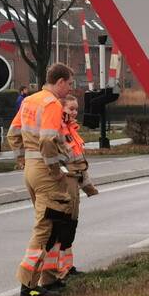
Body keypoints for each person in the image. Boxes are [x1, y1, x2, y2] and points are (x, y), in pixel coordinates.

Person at [7, 63, 75, 296]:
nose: (69, 90)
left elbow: (12, 134)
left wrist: (23, 160)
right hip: (46, 173)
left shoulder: (29, 101)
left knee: (52, 223)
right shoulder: (51, 104)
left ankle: (49, 278)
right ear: (60, 82)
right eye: (69, 84)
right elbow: (48, 141)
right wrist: (55, 169)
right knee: (46, 226)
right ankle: (28, 282)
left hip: (31, 170)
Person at [57, 94, 99, 277]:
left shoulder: (71, 130)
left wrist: (87, 185)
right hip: (66, 183)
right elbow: (60, 160)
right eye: (70, 109)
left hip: (75, 181)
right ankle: (60, 268)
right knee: (64, 226)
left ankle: (68, 266)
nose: (74, 112)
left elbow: (79, 160)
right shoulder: (59, 130)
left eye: (76, 109)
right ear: (61, 109)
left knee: (71, 225)